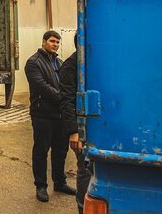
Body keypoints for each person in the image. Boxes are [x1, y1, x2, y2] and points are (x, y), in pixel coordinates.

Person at [24, 30, 75, 202]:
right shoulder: (33, 63)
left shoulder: (60, 62)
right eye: (52, 41)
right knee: (41, 151)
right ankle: (41, 186)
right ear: (44, 42)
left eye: (57, 42)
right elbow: (41, 86)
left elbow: (65, 83)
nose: (55, 44)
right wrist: (64, 97)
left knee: (61, 151)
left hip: (59, 114)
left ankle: (60, 182)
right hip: (42, 114)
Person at [59, 33, 92, 214]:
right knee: (85, 169)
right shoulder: (71, 66)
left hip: (97, 124)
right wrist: (74, 132)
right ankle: (82, 208)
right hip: (82, 128)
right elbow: (66, 101)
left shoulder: (92, 62)